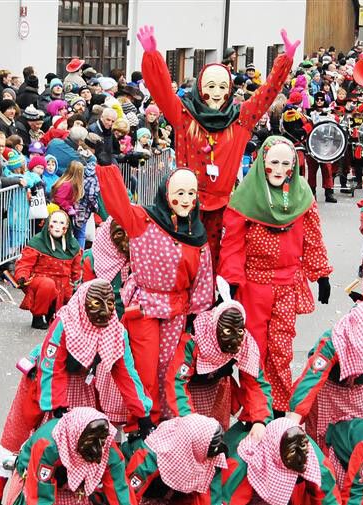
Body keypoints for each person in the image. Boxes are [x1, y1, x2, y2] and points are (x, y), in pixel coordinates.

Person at [0, 281, 151, 505]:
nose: (104, 311)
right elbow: (52, 368)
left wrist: (143, 412)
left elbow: (126, 371)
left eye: (108, 304)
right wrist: (56, 409)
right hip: (42, 382)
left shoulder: (115, 331)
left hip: (81, 383)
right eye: (97, 304)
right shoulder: (65, 323)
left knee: (79, 445)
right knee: (20, 437)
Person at [136, 25, 298, 263]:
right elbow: (160, 89)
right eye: (210, 86)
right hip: (185, 204)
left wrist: (286, 61)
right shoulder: (184, 116)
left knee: (222, 264)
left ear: (229, 90)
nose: (216, 93)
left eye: (222, 87)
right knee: (185, 263)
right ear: (200, 88)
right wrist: (152, 56)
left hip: (224, 209)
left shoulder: (241, 119)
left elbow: (267, 93)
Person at [97, 164, 214, 431]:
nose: (185, 200)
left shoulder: (197, 234)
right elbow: (118, 206)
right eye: (179, 192)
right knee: (144, 368)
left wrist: (198, 316)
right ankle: (140, 424)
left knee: (167, 370)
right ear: (166, 193)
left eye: (191, 193)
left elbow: (203, 277)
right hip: (144, 306)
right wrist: (106, 167)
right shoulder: (143, 220)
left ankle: (163, 427)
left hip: (177, 310)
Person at [218, 136, 332, 411]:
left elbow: (312, 237)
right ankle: (255, 409)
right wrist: (231, 282)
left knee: (281, 348)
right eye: (273, 163)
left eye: (285, 163)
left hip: (287, 284)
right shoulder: (246, 196)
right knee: (253, 348)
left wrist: (321, 274)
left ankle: (279, 406)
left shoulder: (301, 194)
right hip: (254, 284)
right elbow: (232, 244)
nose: (279, 169)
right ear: (262, 163)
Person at [0, 407, 144, 505]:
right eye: (91, 443)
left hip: (77, 484)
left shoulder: (107, 447)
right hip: (34, 476)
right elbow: (40, 491)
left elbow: (120, 489)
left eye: (100, 442)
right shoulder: (48, 445)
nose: (97, 449)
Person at [208, 417, 360, 505]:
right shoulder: (248, 455)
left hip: (286, 496)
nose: (301, 457)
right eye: (293, 451)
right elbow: (224, 497)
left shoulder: (312, 459)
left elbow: (327, 495)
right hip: (250, 488)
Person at [288, 301, 363, 446]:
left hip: (359, 395)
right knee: (323, 441)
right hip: (328, 393)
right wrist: (295, 417)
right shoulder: (334, 340)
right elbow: (312, 377)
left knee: (354, 439)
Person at [122, 413, 234, 505]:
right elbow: (127, 493)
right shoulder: (153, 452)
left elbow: (211, 498)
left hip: (172, 499)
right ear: (192, 445)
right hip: (142, 498)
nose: (214, 453)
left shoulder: (212, 455)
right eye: (211, 449)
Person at [164, 300, 272, 429]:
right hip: (191, 392)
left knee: (218, 435)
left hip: (219, 389)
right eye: (227, 332)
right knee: (195, 433)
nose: (234, 340)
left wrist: (260, 421)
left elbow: (256, 381)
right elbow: (176, 381)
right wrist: (187, 419)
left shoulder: (245, 343)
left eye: (240, 332)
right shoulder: (194, 340)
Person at [14, 210, 82, 329]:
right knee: (47, 285)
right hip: (41, 280)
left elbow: (76, 269)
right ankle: (38, 316)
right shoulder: (38, 241)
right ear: (48, 224)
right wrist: (22, 276)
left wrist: (78, 284)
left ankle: (54, 314)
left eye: (61, 223)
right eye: (54, 221)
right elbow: (25, 263)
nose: (57, 226)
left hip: (63, 283)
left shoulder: (73, 245)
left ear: (66, 227)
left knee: (70, 292)